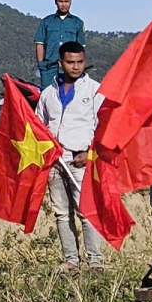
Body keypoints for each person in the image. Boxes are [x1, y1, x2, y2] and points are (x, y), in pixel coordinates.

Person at [37, 41, 106, 270]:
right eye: (70, 62)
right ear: (60, 63)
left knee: (86, 211)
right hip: (55, 162)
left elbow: (103, 125)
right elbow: (40, 124)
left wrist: (88, 152)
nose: (75, 67)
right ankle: (71, 260)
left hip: (80, 161)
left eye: (79, 62)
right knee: (61, 213)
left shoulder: (94, 90)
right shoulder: (48, 93)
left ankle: (95, 260)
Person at [33, 0, 86, 88]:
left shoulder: (77, 23)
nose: (64, 4)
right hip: (49, 68)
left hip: (69, 68)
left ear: (70, 2)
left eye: (66, 1)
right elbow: (39, 44)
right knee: (47, 98)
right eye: (61, 1)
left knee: (70, 98)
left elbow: (81, 48)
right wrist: (41, 64)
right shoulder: (46, 21)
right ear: (56, 2)